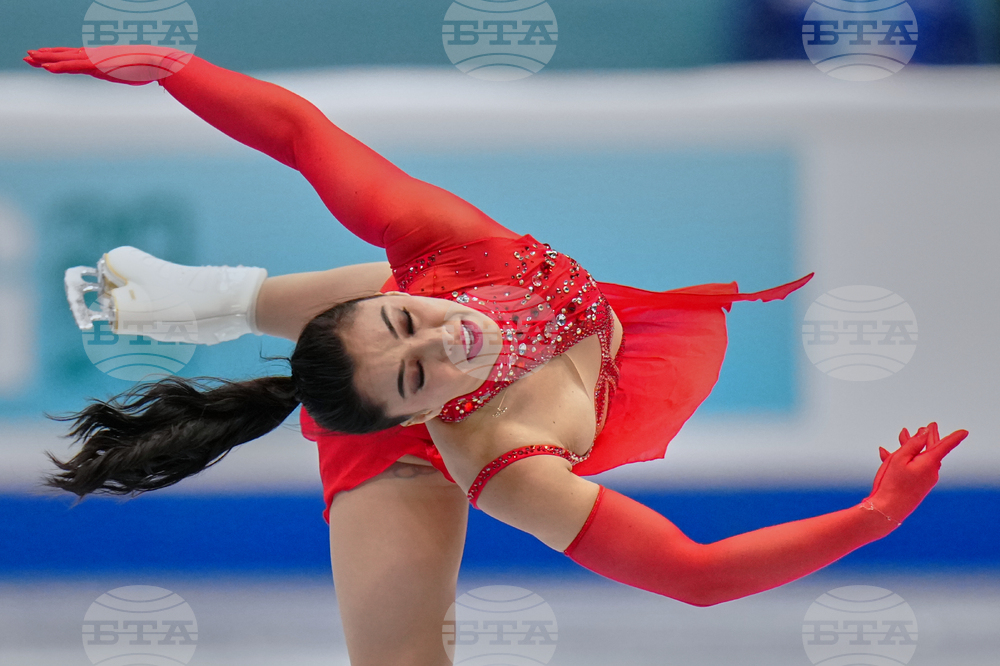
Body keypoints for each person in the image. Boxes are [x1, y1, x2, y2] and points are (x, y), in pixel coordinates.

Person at [26, 47, 969, 666]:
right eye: (417, 374)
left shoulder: (447, 261)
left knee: (385, 288)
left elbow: (302, 136)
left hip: (411, 315)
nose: (444, 337)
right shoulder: (506, 464)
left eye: (410, 325)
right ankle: (227, 313)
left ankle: (212, 300)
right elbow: (697, 576)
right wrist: (872, 518)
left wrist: (176, 68)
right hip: (397, 448)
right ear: (417, 418)